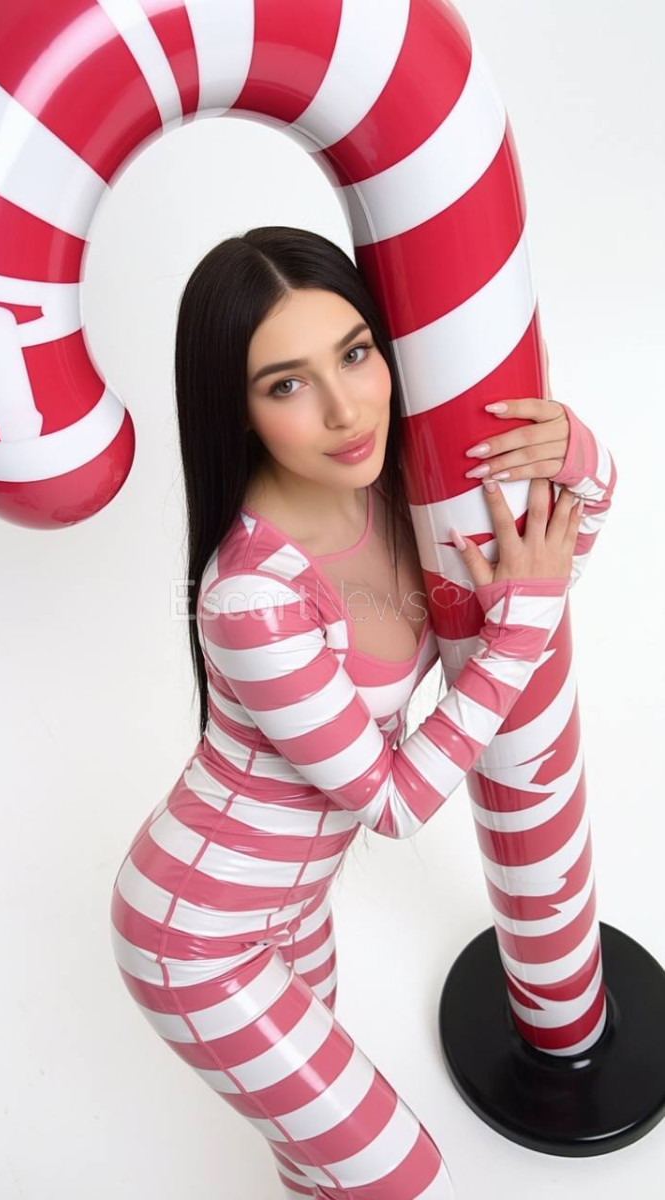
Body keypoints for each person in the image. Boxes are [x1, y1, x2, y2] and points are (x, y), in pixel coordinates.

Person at [109, 227, 616, 1198]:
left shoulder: (394, 487)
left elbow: (556, 556)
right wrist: (519, 633)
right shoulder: (252, 596)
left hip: (297, 905)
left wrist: (575, 452)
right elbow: (391, 801)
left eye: (353, 354)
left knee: (319, 1166)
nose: (345, 410)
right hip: (194, 937)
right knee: (403, 1179)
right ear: (235, 408)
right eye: (286, 384)